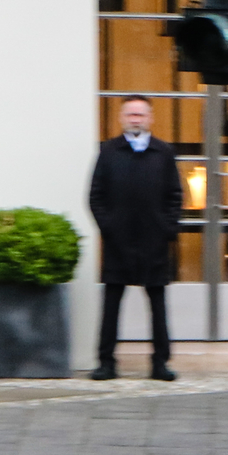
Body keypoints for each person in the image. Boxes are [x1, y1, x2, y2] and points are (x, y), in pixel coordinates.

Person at [87, 95, 184, 381]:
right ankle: (106, 362)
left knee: (157, 304)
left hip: (154, 242)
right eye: (130, 114)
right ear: (121, 118)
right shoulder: (108, 151)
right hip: (118, 242)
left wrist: (167, 229)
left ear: (150, 118)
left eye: (140, 115)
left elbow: (175, 195)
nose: (135, 119)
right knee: (111, 304)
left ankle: (160, 363)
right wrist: (108, 228)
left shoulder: (163, 152)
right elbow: (95, 195)